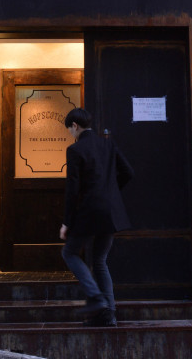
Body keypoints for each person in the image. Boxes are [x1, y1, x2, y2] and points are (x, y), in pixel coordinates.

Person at [60, 108, 134, 327]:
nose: (70, 135)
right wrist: (110, 194)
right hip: (110, 212)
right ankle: (108, 315)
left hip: (90, 211)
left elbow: (72, 190)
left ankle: (95, 297)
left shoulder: (75, 150)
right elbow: (128, 172)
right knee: (100, 261)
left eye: (69, 130)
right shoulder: (107, 144)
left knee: (70, 252)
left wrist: (66, 221)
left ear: (74, 126)